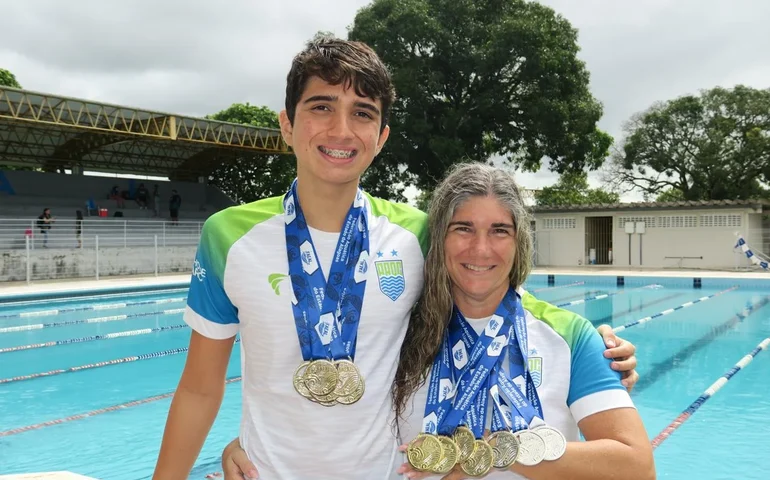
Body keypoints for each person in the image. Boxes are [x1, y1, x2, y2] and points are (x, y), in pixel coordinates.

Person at [152, 37, 639, 480]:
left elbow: (488, 282)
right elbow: (199, 388)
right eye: (321, 106)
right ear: (287, 123)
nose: (341, 129)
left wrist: (594, 343)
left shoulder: (415, 233)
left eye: (362, 112)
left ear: (381, 136)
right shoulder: (228, 236)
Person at [219, 165, 648, 480]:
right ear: (437, 238)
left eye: (500, 230)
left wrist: (495, 452)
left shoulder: (569, 335)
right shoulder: (401, 332)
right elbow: (336, 418)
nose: (481, 249)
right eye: (463, 228)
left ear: (520, 242)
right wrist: (253, 442)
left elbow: (635, 465)